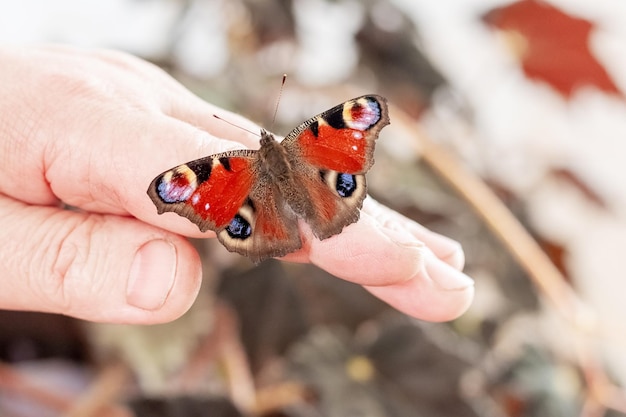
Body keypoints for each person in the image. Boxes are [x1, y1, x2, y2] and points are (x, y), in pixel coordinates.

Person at [0, 44, 474, 324]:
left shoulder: (227, 168)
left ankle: (288, 222)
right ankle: (315, 212)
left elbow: (364, 111)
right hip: (317, 181)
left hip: (258, 194)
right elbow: (170, 188)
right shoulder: (307, 140)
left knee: (237, 206)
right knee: (313, 195)